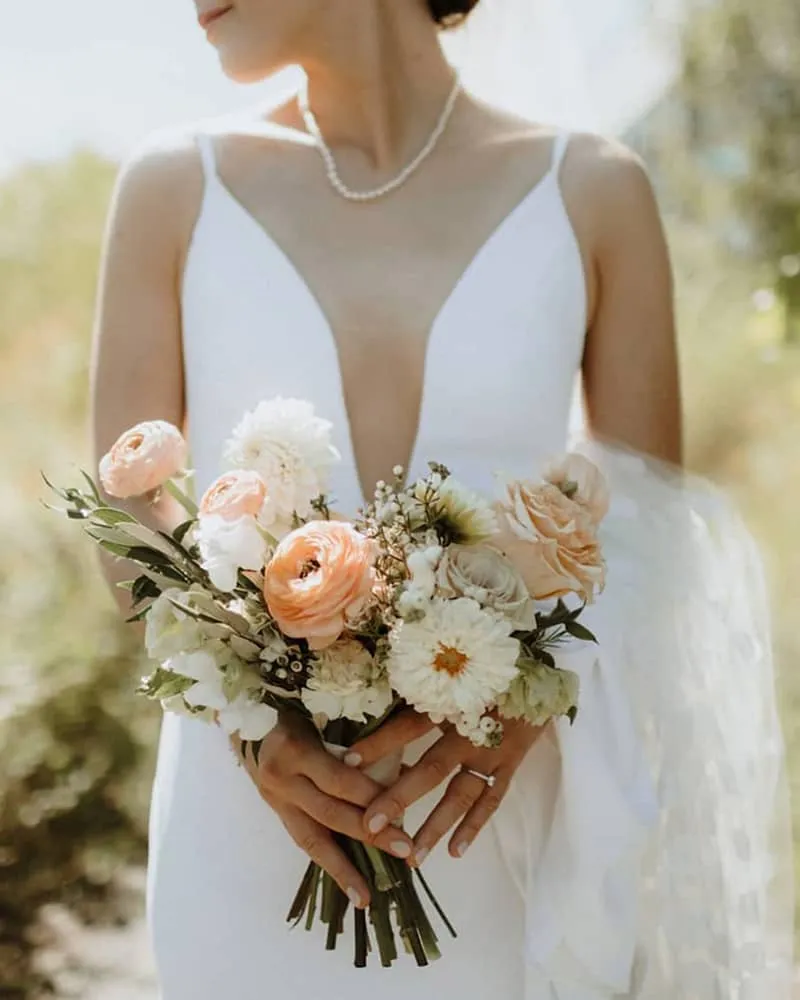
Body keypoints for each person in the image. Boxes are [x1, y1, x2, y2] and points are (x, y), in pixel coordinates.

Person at [89, 1, 793, 997]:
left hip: (491, 812)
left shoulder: (589, 189)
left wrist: (515, 704)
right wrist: (255, 732)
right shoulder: (174, 185)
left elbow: (646, 521)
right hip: (245, 821)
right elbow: (128, 514)